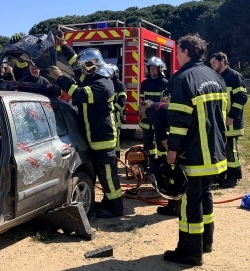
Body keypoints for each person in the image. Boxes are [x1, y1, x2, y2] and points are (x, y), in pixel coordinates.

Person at [164, 34, 227, 266]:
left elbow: (180, 120)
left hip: (194, 153)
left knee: (190, 202)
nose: (176, 56)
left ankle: (190, 252)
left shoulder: (183, 78)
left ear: (186, 52)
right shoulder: (215, 76)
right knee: (205, 196)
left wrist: (172, 149)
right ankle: (205, 243)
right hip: (215, 152)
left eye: (178, 51)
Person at [49, 39, 123, 218]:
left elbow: (80, 94)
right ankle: (108, 202)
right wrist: (63, 45)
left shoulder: (103, 85)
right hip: (93, 137)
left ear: (92, 66)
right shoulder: (90, 77)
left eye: (84, 67)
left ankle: (116, 208)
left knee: (107, 176)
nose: (80, 70)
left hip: (103, 139)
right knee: (101, 174)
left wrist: (60, 78)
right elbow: (75, 63)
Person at [209, 52, 248, 188]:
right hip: (219, 122)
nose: (212, 65)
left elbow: (242, 97)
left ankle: (233, 177)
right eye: (211, 63)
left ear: (223, 61)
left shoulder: (234, 76)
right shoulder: (215, 77)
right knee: (220, 149)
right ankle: (221, 175)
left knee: (230, 149)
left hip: (231, 122)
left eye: (214, 63)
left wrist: (232, 115)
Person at [138, 89, 180, 216]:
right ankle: (175, 205)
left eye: (140, 109)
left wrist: (170, 150)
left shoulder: (151, 110)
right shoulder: (159, 108)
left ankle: (173, 207)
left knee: (172, 171)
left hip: (177, 131)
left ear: (146, 105)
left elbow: (160, 131)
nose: (140, 112)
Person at [139, 57, 168, 165]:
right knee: (147, 143)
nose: (152, 71)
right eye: (150, 68)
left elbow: (167, 102)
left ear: (160, 69)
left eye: (154, 68)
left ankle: (162, 164)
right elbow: (142, 99)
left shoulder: (165, 83)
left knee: (161, 144)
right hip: (147, 119)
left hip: (159, 118)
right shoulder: (145, 83)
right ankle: (150, 163)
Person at [107, 64, 127, 158]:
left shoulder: (120, 85)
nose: (109, 74)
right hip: (107, 116)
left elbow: (122, 100)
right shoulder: (106, 83)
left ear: (116, 73)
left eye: (111, 72)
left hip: (116, 116)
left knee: (116, 138)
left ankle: (117, 157)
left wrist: (112, 109)